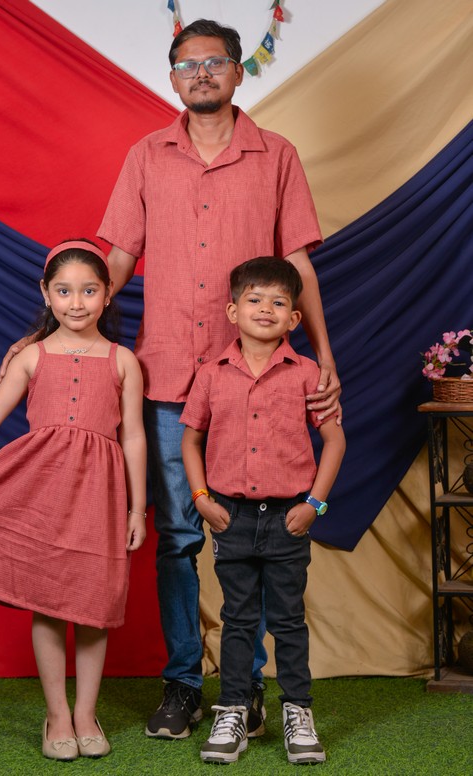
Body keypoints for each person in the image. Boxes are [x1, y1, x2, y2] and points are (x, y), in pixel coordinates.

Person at [95, 18, 341, 740]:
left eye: (214, 62)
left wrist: (324, 356)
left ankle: (248, 688)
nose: (200, 73)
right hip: (169, 378)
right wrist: (67, 327)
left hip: (255, 383)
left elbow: (297, 264)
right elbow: (118, 256)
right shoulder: (146, 155)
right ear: (172, 78)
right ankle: (182, 684)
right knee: (177, 537)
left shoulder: (277, 155)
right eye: (186, 64)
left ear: (238, 72)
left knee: (257, 539)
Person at [0, 240, 147, 761]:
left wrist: (136, 508)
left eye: (88, 291)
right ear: (46, 294)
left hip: (98, 497)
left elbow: (134, 436)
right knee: (48, 604)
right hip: (39, 492)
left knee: (92, 605)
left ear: (107, 294)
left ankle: (87, 713)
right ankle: (58, 715)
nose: (76, 302)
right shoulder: (31, 356)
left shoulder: (123, 361)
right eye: (64, 291)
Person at [181, 257, 346, 764]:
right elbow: (191, 440)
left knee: (289, 620)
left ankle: (298, 712)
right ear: (233, 311)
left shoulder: (308, 374)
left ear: (294, 318)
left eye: (278, 302)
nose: (266, 309)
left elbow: (335, 440)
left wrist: (314, 504)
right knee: (237, 619)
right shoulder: (211, 375)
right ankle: (233, 710)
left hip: (288, 518)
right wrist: (201, 498)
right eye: (254, 299)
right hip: (230, 517)